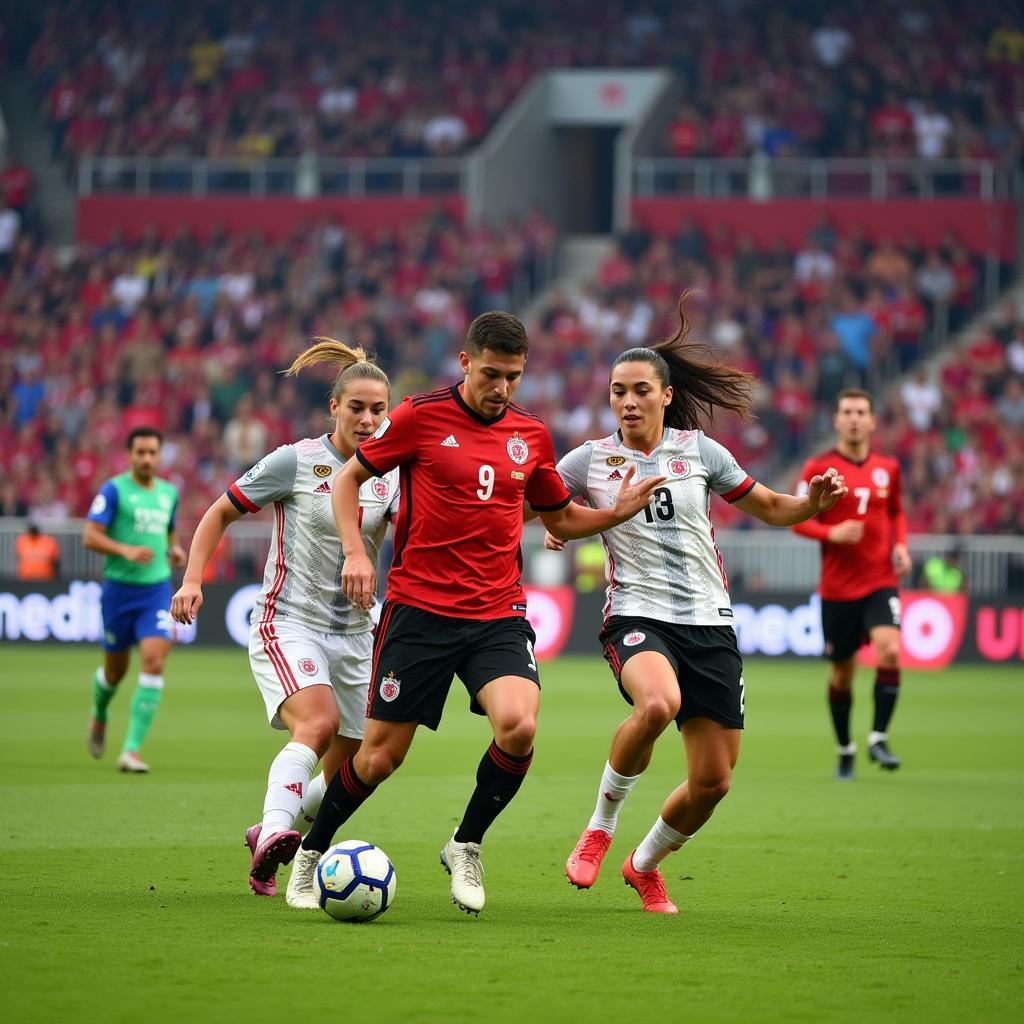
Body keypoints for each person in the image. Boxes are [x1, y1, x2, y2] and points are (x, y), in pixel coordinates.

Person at [285, 310, 664, 916]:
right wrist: (356, 551)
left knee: (519, 726)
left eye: (513, 376)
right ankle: (312, 851)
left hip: (497, 610)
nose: (502, 388)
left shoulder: (531, 434)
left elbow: (559, 516)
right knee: (380, 757)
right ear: (466, 363)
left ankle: (465, 843)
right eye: (491, 374)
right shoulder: (419, 416)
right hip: (420, 610)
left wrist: (614, 513)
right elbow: (347, 480)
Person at [550, 296, 846, 913]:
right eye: (616, 392)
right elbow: (539, 508)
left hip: (709, 624)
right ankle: (600, 828)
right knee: (659, 703)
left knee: (713, 782)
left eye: (638, 391)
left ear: (664, 395)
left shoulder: (700, 452)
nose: (626, 402)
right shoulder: (588, 461)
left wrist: (812, 503)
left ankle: (644, 863)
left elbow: (769, 506)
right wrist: (566, 523)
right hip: (635, 614)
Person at [170, 339, 398, 898]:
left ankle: (270, 828)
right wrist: (194, 578)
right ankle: (277, 831)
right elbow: (220, 511)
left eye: (378, 409)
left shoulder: (392, 473)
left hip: (355, 633)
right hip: (288, 620)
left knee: (362, 758)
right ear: (334, 408)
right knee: (315, 726)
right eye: (356, 408)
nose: (368, 420)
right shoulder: (295, 460)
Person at [793, 388, 911, 780]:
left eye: (862, 411)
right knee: (842, 675)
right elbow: (797, 518)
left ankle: (878, 736)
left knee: (890, 650)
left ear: (873, 421)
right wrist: (832, 533)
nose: (855, 418)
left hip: (880, 579)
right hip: (838, 590)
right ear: (837, 420)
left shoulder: (888, 467)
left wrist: (903, 548)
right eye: (848, 411)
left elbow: (895, 512)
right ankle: (846, 747)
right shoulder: (818, 467)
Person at [84, 427, 187, 773]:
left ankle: (131, 750)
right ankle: (99, 714)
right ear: (130, 455)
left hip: (156, 590)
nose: (146, 459)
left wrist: (173, 551)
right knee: (115, 673)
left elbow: (169, 531)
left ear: (159, 456)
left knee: (154, 661)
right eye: (140, 452)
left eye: (152, 453)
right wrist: (124, 549)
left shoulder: (168, 493)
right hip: (119, 591)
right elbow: (90, 536)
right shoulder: (114, 490)